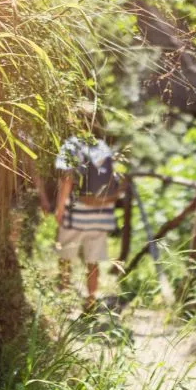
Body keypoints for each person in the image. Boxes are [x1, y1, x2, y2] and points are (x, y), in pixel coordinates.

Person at [54, 123, 121, 310]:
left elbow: (67, 179)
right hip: (100, 215)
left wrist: (60, 209)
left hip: (76, 214)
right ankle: (91, 300)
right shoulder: (102, 146)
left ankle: (64, 299)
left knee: (65, 256)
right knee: (93, 261)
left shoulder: (71, 145)